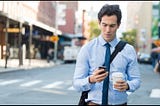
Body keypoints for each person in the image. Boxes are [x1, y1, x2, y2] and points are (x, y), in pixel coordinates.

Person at [73, 4, 141, 105]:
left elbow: (136, 80)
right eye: (104, 25)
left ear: (118, 25)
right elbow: (76, 83)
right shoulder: (87, 49)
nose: (108, 30)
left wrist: (127, 85)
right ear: (99, 23)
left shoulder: (128, 50)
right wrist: (91, 79)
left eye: (112, 26)